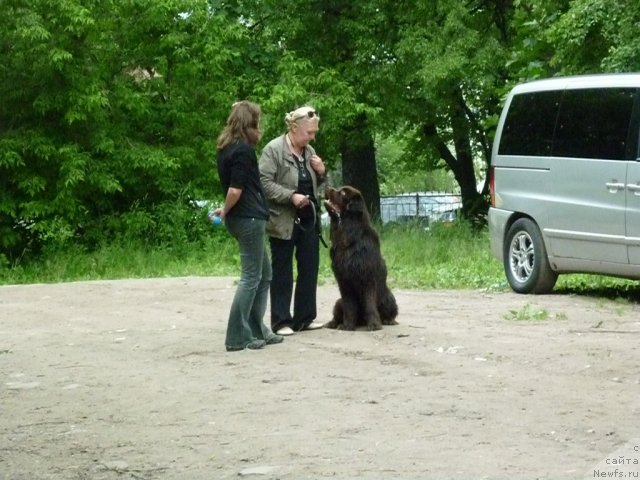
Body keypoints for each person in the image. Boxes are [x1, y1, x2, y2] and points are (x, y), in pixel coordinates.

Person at [212, 101, 283, 351]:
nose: (259, 127)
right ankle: (237, 336)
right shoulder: (242, 150)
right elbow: (235, 189)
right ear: (249, 123)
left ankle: (256, 329)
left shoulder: (225, 147)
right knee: (252, 277)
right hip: (249, 219)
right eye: (257, 122)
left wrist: (226, 211)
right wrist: (226, 208)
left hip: (243, 218)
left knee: (265, 274)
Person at [259, 105, 326, 336]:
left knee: (309, 267)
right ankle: (281, 321)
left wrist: (321, 171)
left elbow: (320, 186)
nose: (312, 137)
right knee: (282, 270)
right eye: (309, 133)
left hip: (308, 219)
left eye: (314, 133)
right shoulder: (273, 150)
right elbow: (264, 183)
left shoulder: (310, 152)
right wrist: (291, 196)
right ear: (294, 127)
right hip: (283, 220)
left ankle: (305, 318)